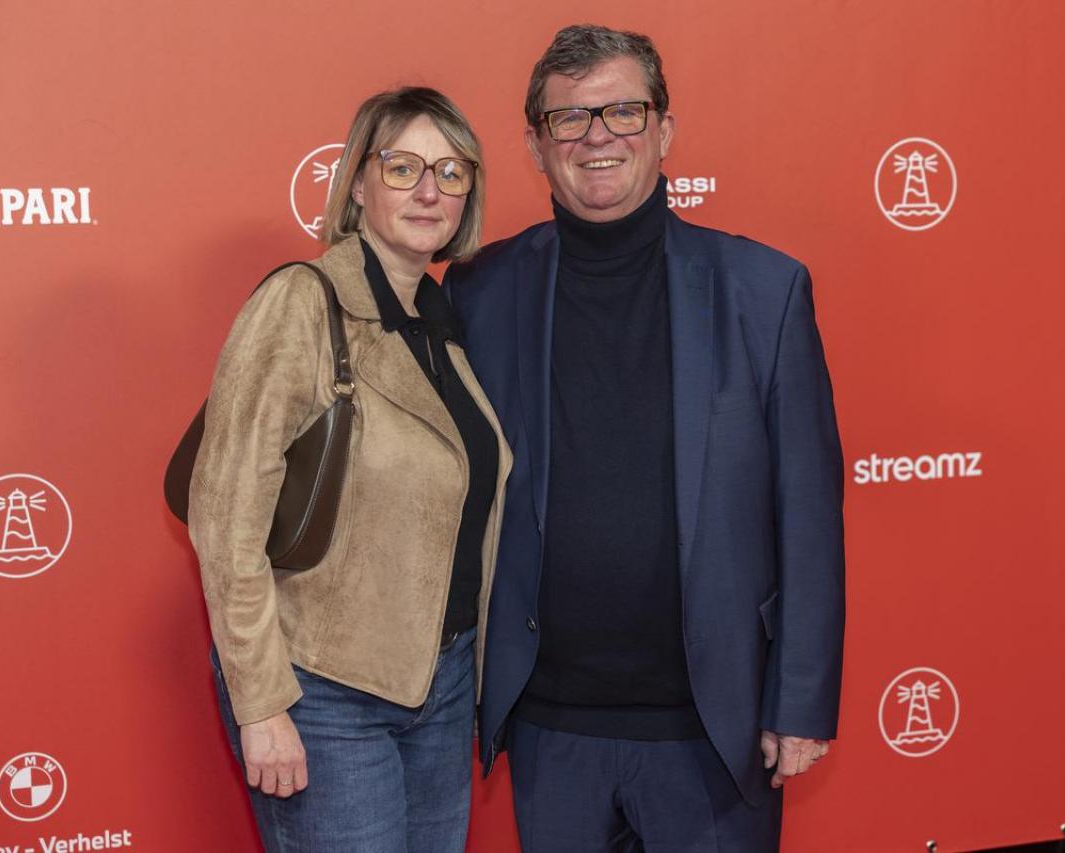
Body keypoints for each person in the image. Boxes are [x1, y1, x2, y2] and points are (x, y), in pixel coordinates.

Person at [444, 25, 845, 852]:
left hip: (713, 726)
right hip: (551, 722)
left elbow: (808, 512)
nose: (597, 137)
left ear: (664, 130)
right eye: (569, 118)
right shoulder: (480, 290)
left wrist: (799, 699)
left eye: (623, 112)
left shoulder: (763, 291)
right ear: (536, 145)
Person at [188, 87, 511, 853]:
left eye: (451, 171)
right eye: (403, 167)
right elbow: (225, 513)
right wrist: (262, 703)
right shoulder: (302, 302)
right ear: (358, 184)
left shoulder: (443, 328)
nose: (429, 190)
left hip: (442, 686)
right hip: (323, 693)